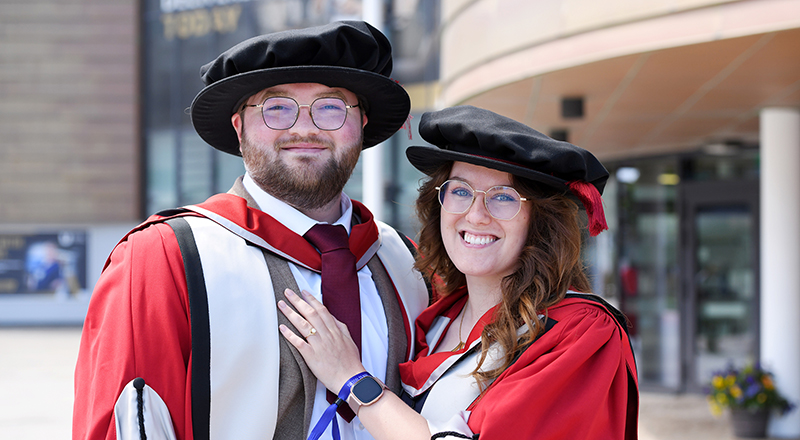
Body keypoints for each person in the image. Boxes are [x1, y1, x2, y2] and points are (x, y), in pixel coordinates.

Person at [73, 21, 429, 440]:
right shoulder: (166, 257)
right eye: (277, 107)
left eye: (331, 107)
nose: (304, 127)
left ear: (362, 124)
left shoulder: (405, 261)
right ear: (240, 127)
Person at [278, 105, 639, 440]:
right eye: (460, 191)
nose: (476, 215)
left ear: (539, 222)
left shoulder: (579, 332)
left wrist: (349, 378)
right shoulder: (438, 315)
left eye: (503, 197)